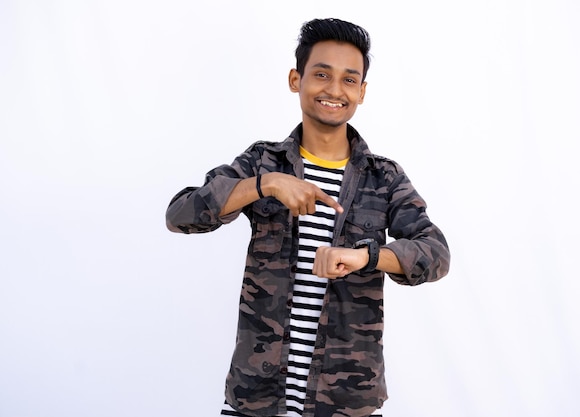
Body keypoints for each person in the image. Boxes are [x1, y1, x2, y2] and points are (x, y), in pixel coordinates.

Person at [166, 17, 450, 417]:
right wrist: (264, 184)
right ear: (295, 79)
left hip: (345, 402)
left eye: (349, 80)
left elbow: (434, 254)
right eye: (321, 74)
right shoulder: (263, 161)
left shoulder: (384, 178)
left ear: (362, 92)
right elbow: (180, 214)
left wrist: (367, 256)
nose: (334, 90)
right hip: (258, 397)